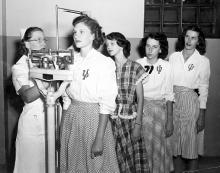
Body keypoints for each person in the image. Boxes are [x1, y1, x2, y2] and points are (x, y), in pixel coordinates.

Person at [59, 15, 120, 173]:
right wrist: (62, 129)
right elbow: (66, 98)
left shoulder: (104, 63)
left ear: (93, 35)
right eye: (75, 32)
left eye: (82, 31)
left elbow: (107, 103)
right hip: (72, 117)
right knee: (73, 165)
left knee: (95, 166)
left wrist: (99, 138)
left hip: (94, 120)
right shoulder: (70, 60)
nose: (77, 35)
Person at [104, 32, 150, 173]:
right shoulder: (107, 67)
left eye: (112, 43)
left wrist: (138, 124)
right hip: (110, 120)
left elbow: (141, 99)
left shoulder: (135, 67)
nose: (108, 47)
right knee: (114, 159)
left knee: (131, 160)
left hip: (130, 120)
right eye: (107, 44)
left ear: (121, 45)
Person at [169, 25, 211, 172]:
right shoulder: (174, 57)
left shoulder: (203, 61)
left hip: (191, 103)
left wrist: (202, 114)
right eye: (187, 36)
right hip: (174, 102)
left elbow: (204, 88)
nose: (189, 40)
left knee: (190, 145)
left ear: (198, 41)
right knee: (175, 145)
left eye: (193, 38)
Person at [11, 27, 48, 173]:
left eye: (44, 39)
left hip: (51, 121)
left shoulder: (47, 61)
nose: (43, 43)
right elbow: (27, 96)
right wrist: (46, 80)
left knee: (49, 166)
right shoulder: (19, 67)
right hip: (32, 126)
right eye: (37, 39)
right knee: (31, 167)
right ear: (26, 44)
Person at [136, 32, 174, 173]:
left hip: (159, 112)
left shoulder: (166, 66)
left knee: (157, 148)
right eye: (148, 46)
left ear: (161, 49)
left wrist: (170, 120)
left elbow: (169, 95)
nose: (150, 50)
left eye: (154, 47)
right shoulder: (138, 63)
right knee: (142, 146)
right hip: (141, 110)